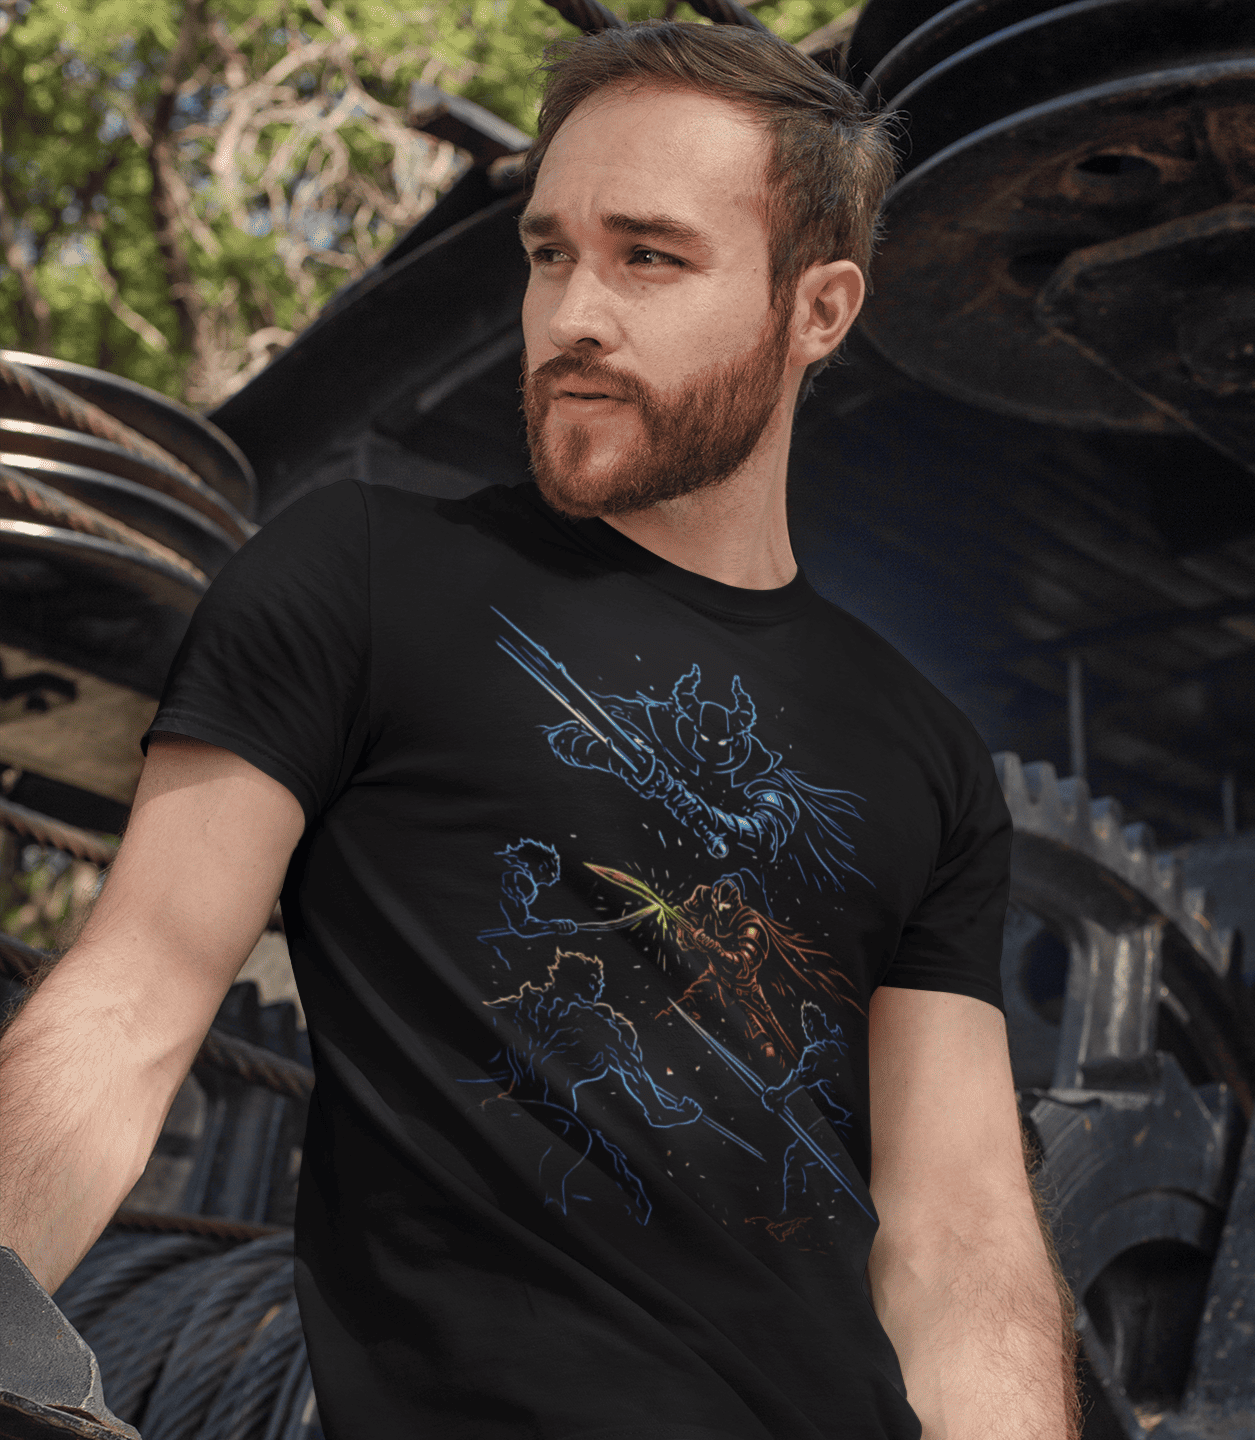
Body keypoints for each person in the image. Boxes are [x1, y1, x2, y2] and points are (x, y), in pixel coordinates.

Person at [0, 20, 1078, 1440]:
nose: (573, 313)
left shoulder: (927, 752)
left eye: (650, 256)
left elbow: (961, 1237)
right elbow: (133, 998)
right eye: (549, 250)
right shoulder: (362, 575)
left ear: (817, 310)